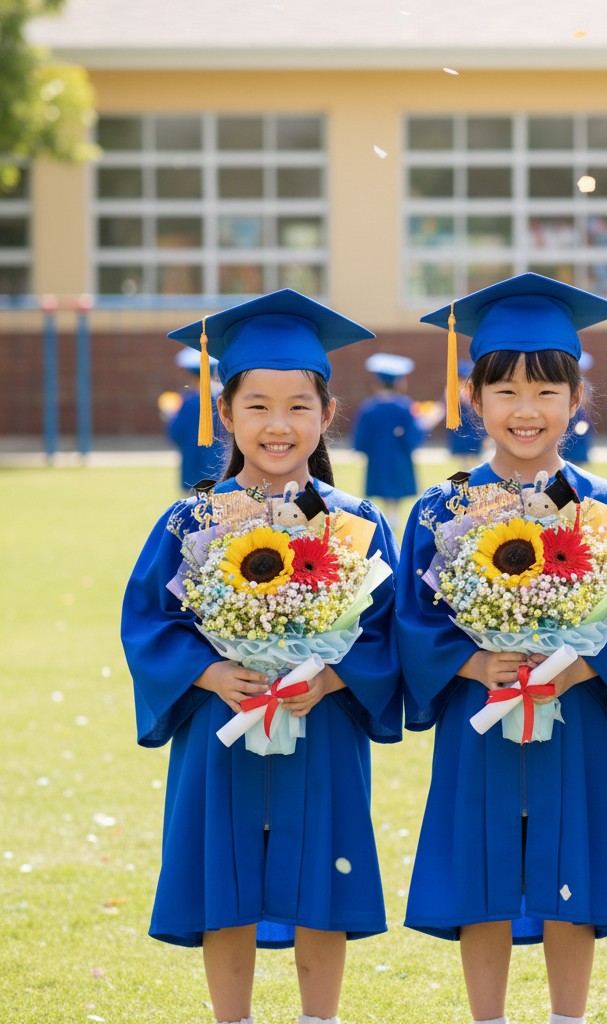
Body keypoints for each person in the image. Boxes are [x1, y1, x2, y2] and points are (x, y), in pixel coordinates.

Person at [121, 289, 403, 1024]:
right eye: (258, 406)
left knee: (325, 880)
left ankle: (320, 1017)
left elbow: (386, 628)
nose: (279, 425)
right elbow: (150, 621)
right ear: (227, 414)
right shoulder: (194, 518)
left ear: (326, 412)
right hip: (223, 723)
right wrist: (212, 671)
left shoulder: (356, 522)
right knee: (227, 879)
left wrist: (335, 674)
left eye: (298, 406)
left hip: (324, 725)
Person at [397, 273, 607, 1024]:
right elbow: (412, 618)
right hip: (478, 718)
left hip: (573, 718)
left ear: (577, 401)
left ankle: (569, 1016)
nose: (525, 409)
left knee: (571, 868)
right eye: (503, 390)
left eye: (546, 392)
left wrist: (581, 664)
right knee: (482, 873)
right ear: (474, 399)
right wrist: (473, 662)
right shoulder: (443, 507)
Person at [352, 351, 424, 524]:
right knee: (396, 483)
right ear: (398, 383)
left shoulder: (369, 407)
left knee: (381, 482)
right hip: (398, 455)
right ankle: (394, 515)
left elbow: (361, 435)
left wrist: (363, 448)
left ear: (377, 383)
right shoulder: (405, 406)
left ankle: (386, 514)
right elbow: (413, 433)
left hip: (377, 455)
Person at [163, 346, 228, 491]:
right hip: (222, 467)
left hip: (194, 466)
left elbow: (175, 433)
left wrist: (169, 415)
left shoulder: (187, 402)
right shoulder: (225, 401)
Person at [446, 358, 487, 469]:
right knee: (463, 460)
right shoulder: (452, 392)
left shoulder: (474, 390)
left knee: (476, 458)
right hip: (461, 428)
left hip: (474, 428)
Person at [559, 351, 594, 465]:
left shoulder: (582, 382)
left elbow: (585, 399)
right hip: (571, 413)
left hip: (578, 414)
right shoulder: (568, 380)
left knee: (578, 440)